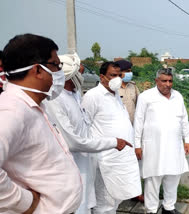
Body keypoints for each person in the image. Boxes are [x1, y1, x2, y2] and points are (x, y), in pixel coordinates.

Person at [0, 34, 82, 214]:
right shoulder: (12, 111)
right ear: (37, 70)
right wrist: (23, 202)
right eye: (56, 66)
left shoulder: (34, 105)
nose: (59, 73)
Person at [43, 53, 132, 214]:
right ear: (70, 74)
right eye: (81, 73)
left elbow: (86, 128)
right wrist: (112, 142)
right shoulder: (56, 100)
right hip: (74, 164)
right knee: (83, 205)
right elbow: (73, 141)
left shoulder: (76, 94)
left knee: (91, 203)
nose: (83, 77)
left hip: (89, 160)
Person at [82, 61, 141, 214]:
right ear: (102, 77)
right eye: (112, 75)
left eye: (119, 75)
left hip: (121, 158)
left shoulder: (115, 94)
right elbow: (84, 127)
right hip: (105, 158)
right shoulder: (92, 96)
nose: (117, 78)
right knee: (104, 201)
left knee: (116, 198)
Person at [134, 68, 189, 214]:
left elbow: (184, 119)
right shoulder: (146, 96)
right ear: (156, 81)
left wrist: (187, 140)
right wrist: (137, 145)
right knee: (153, 178)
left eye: (170, 81)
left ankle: (168, 207)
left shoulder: (178, 96)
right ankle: (151, 210)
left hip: (175, 146)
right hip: (154, 146)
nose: (168, 84)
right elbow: (138, 122)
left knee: (173, 176)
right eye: (164, 81)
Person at [116, 59, 140, 124]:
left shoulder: (133, 86)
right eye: (127, 71)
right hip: (118, 125)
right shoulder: (114, 88)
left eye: (130, 71)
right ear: (120, 72)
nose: (130, 73)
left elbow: (139, 104)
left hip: (132, 125)